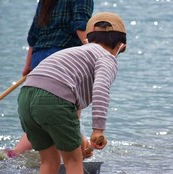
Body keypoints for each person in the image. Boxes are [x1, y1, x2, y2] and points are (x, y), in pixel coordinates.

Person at [17, 12, 127, 174]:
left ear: (87, 40)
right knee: (73, 161)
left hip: (26, 97)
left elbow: (65, 107)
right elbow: (100, 89)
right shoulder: (107, 58)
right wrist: (98, 129)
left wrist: (81, 141)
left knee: (49, 161)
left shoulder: (73, 53)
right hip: (54, 100)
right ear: (121, 46)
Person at [0, 0, 94, 159]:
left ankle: (13, 154)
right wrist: (92, 49)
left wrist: (28, 66)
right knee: (67, 119)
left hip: (40, 58)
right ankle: (75, 158)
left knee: (44, 121)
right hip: (65, 60)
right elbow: (80, 23)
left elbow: (34, 35)